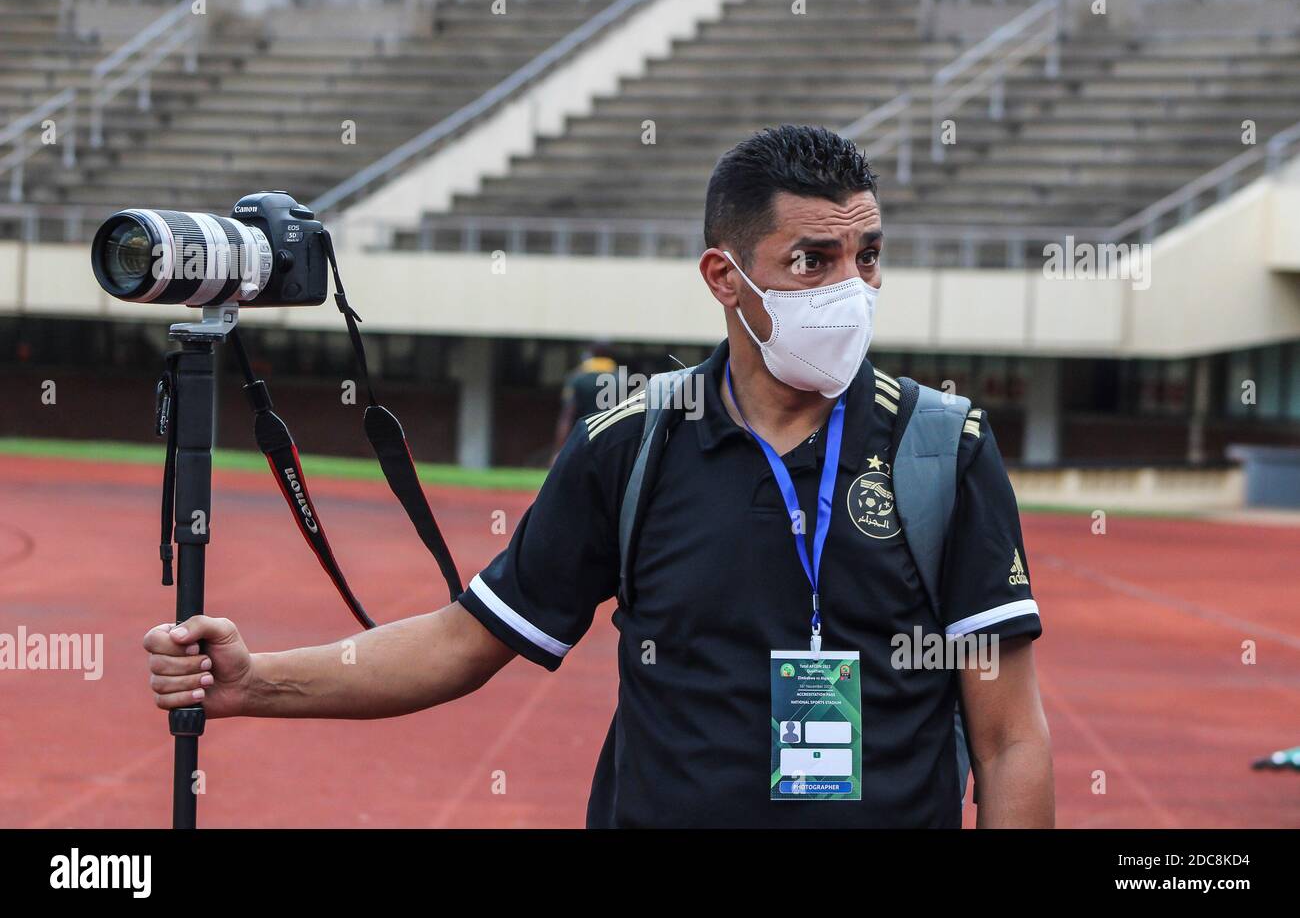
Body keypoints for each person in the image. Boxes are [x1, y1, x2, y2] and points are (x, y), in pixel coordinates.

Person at [144, 125, 1053, 828]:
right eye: (813, 260)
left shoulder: (942, 449)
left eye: (869, 256)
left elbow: (1009, 739)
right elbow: (467, 642)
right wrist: (252, 682)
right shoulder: (633, 445)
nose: (852, 286)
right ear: (725, 277)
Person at [552, 341, 619, 460]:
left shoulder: (577, 377)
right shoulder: (622, 378)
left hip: (583, 438)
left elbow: (567, 416)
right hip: (612, 440)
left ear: (591, 352)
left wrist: (559, 450)